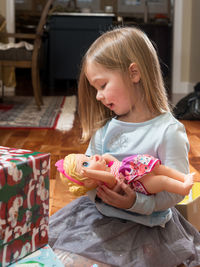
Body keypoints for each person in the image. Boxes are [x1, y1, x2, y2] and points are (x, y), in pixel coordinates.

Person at [49, 26, 200, 267]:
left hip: (146, 228)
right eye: (95, 89)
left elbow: (175, 190)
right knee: (64, 259)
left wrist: (134, 202)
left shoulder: (168, 132)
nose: (98, 96)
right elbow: (88, 173)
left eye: (102, 85)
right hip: (98, 217)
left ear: (134, 73)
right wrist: (86, 182)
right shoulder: (106, 130)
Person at [55, 153, 196, 196]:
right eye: (86, 164)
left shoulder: (109, 167)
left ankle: (184, 177)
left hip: (136, 168)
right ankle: (183, 188)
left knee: (160, 168)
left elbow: (112, 158)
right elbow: (112, 178)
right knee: (162, 180)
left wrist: (103, 159)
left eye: (87, 156)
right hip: (139, 183)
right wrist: (92, 172)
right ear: (91, 181)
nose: (92, 158)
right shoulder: (106, 183)